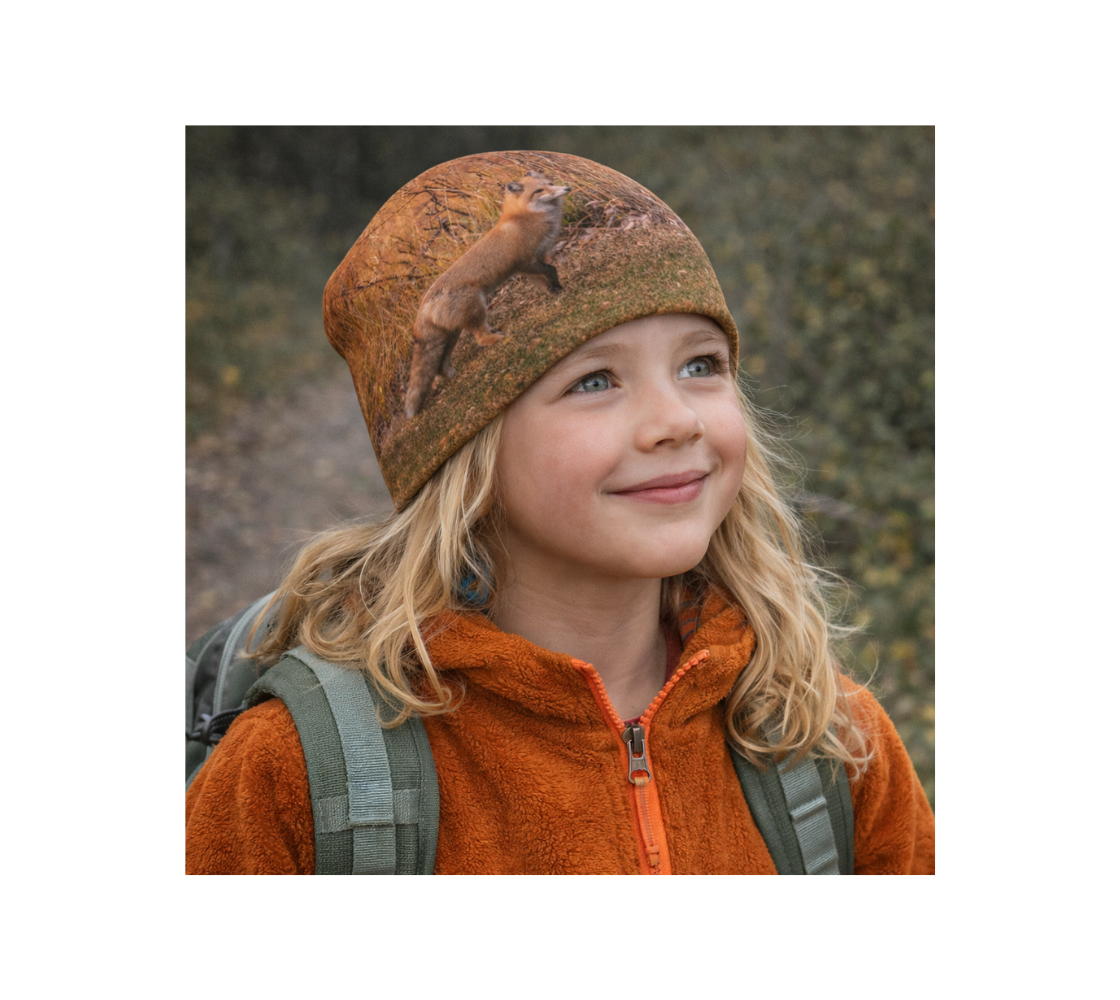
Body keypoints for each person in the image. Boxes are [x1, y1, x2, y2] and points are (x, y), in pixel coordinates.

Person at [185, 151, 936, 875]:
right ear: (464, 452)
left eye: (700, 365)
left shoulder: (828, 738)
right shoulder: (294, 777)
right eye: (594, 380)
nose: (676, 420)